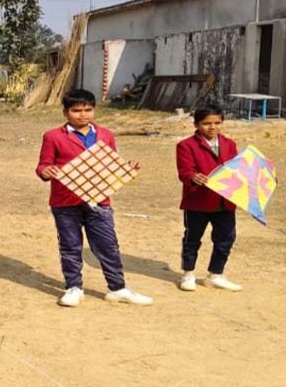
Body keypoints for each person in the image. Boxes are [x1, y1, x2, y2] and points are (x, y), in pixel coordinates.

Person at [35, 89, 153, 307]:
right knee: (70, 245)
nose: (83, 115)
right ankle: (73, 287)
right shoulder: (53, 136)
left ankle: (117, 287)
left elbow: (111, 163)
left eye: (88, 110)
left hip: (99, 200)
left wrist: (126, 168)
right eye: (76, 110)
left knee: (108, 245)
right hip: (65, 201)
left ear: (94, 110)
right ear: (65, 112)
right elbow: (43, 164)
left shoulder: (105, 135)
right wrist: (46, 171)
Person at [175, 105, 242, 292]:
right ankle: (188, 274)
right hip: (198, 201)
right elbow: (184, 171)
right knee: (192, 238)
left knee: (226, 238)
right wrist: (192, 176)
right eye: (206, 123)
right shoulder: (186, 145)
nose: (212, 127)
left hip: (225, 201)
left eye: (217, 123)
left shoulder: (230, 144)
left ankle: (216, 274)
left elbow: (236, 169)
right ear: (196, 124)